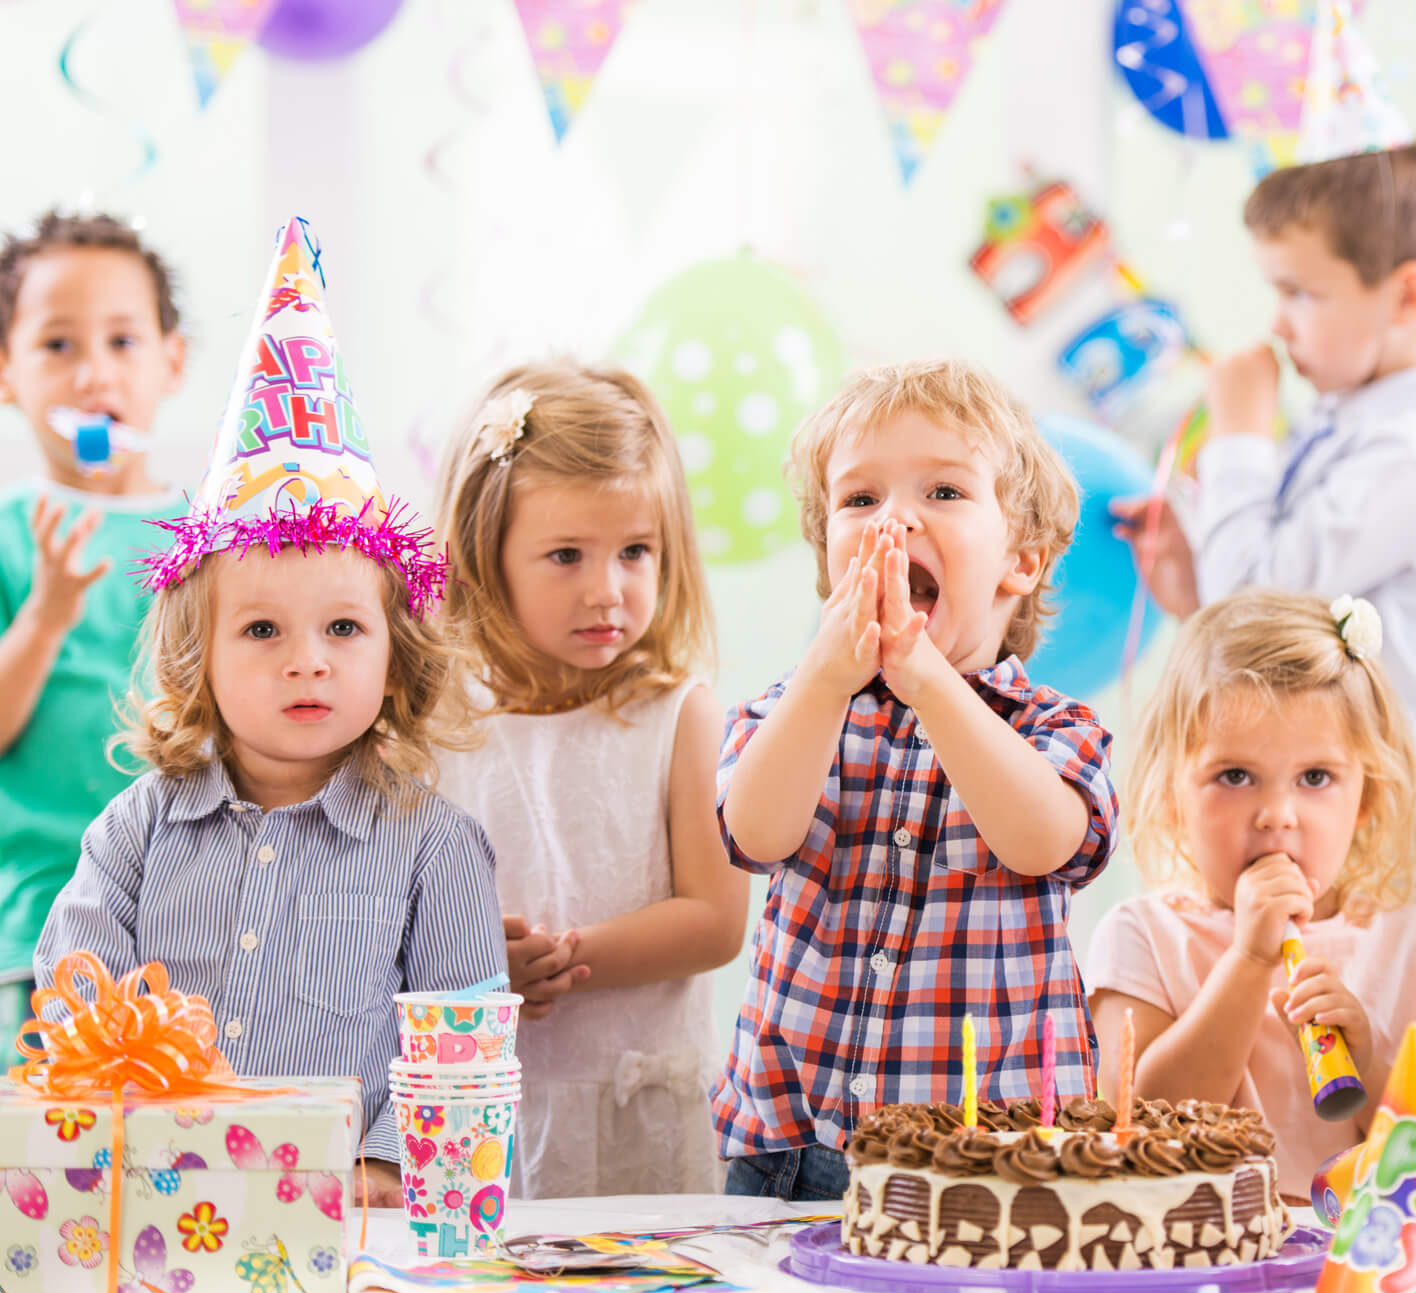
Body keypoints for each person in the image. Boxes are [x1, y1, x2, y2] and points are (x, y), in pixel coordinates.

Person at [34, 218, 501, 1204]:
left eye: (342, 628)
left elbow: (462, 1024)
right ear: (198, 659)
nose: (306, 663)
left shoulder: (433, 845)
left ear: (394, 652)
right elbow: (77, 973)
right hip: (164, 1200)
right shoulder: (138, 828)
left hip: (359, 1215)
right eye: (260, 632)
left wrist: (386, 1157)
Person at [714, 359, 1116, 1201]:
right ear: (830, 561)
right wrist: (826, 682)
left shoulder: (1051, 729)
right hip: (794, 1146)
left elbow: (1046, 842)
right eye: (859, 501)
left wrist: (927, 678)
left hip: (995, 1153)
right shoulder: (793, 711)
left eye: (942, 492)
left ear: (1023, 562)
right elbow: (754, 832)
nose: (893, 520)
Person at [1116, 139, 1416, 951]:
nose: (1279, 326)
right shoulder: (1352, 420)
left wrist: (1241, 431)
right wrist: (1193, 597)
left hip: (1386, 842)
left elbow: (1256, 589)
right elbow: (1266, 619)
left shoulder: (1411, 454)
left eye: (1299, 292)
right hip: (1314, 818)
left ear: (1406, 295)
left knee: (1391, 1079)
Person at [434, 361, 749, 1198]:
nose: (606, 590)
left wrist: (561, 961)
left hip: (637, 1113)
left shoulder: (679, 715)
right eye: (566, 555)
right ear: (481, 554)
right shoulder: (439, 725)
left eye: (635, 552)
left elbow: (714, 919)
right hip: (479, 1112)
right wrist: (473, 964)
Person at [1085, 588, 1416, 1192]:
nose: (1277, 814)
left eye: (1315, 778)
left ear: (1366, 801)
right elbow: (1138, 1126)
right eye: (1235, 776)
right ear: (1173, 797)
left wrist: (1374, 1068)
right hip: (1202, 1269)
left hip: (1367, 1275)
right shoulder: (1141, 937)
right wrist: (1248, 963)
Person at [0, 211, 192, 1034]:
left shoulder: (213, 538)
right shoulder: (11, 533)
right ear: (6, 371)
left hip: (193, 920)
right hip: (40, 919)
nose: (93, 376)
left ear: (171, 362)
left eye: (122, 342)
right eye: (57, 346)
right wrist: (46, 615)